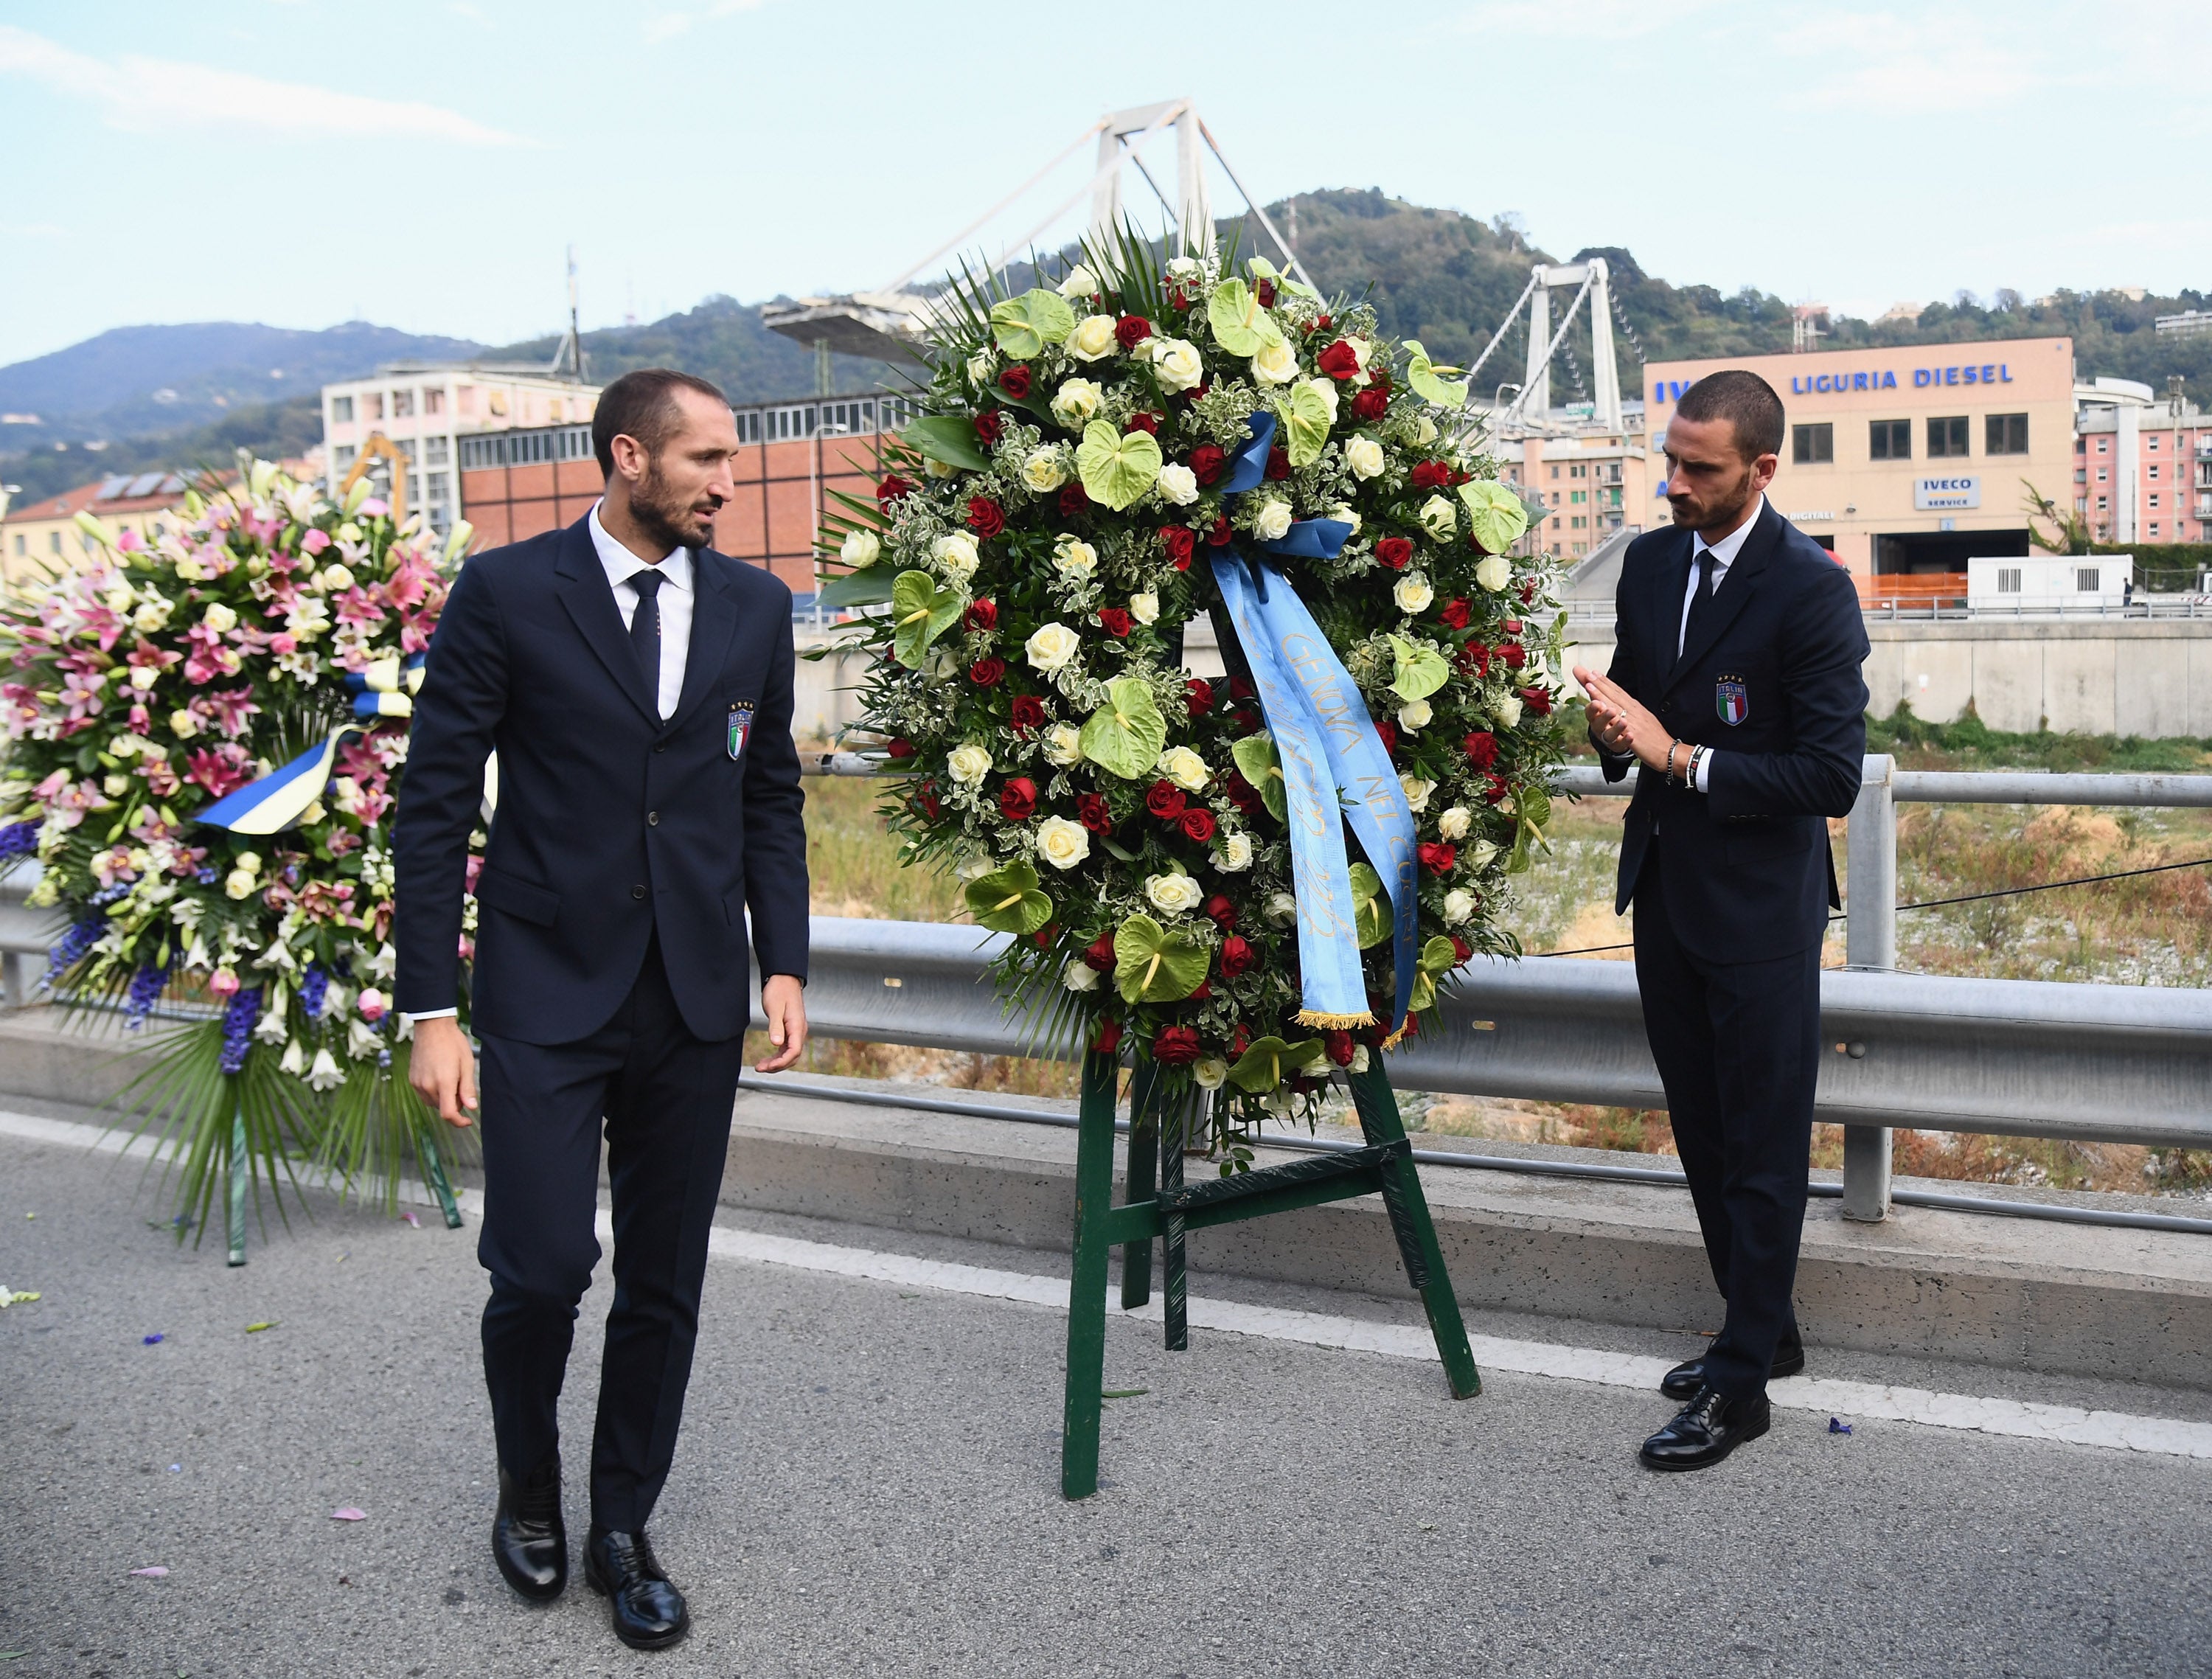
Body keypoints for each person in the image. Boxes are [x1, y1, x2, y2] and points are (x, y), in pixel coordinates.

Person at [394, 367, 810, 1648]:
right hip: (539, 990)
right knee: (541, 1266)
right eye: (707, 463)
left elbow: (769, 797)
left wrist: (780, 960)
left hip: (692, 998)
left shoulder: (752, 604)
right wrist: (431, 1008)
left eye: (732, 463)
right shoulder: (512, 591)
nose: (729, 485)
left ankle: (623, 1521)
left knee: (664, 1281)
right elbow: (436, 803)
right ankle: (529, 1487)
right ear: (629, 456)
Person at [1571, 369, 1868, 1473]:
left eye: (1701, 467)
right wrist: (1609, 727)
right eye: (1672, 460)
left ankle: (1739, 1390)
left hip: (1761, 910)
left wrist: (1679, 759)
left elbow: (1828, 774)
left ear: (1762, 469)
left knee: (1762, 1145)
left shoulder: (1812, 588)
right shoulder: (1650, 563)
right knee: (1701, 1127)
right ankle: (1765, 1331)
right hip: (1666, 891)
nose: (1676, 482)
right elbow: (1643, 715)